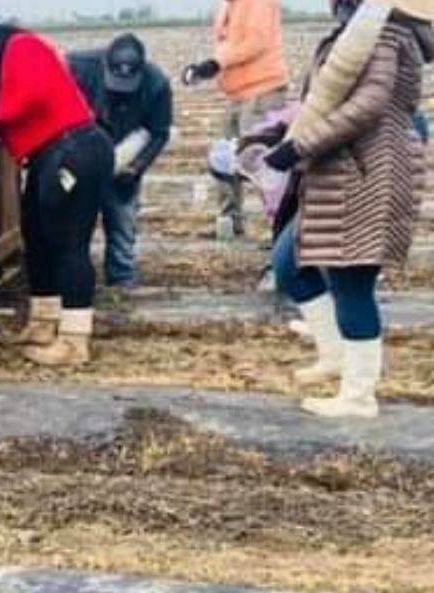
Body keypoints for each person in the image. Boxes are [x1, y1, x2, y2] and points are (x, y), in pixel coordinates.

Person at [264, 0, 433, 418]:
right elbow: (324, 98)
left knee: (352, 282)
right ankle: (335, 356)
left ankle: (358, 396)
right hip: (340, 171)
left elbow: (368, 106)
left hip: (369, 173)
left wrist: (299, 147)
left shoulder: (384, 37)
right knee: (289, 263)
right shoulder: (358, 36)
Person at [0, 10, 114, 366]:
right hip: (47, 154)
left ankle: (73, 340)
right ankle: (43, 321)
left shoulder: (23, 47)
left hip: (75, 149)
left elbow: (27, 99)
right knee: (37, 237)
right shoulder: (0, 62)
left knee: (69, 244)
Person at [68, 33, 173, 289]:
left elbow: (159, 133)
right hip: (85, 152)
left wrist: (137, 167)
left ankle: (122, 279)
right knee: (74, 222)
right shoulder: (79, 68)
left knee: (123, 221)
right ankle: (75, 277)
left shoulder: (157, 84)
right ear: (105, 65)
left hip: (125, 155)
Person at [182, 0, 290, 239]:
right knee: (224, 158)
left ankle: (281, 228)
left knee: (263, 163)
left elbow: (256, 42)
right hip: (238, 94)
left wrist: (217, 63)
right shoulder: (229, 5)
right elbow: (228, 45)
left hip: (263, 91)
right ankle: (230, 222)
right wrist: (205, 69)